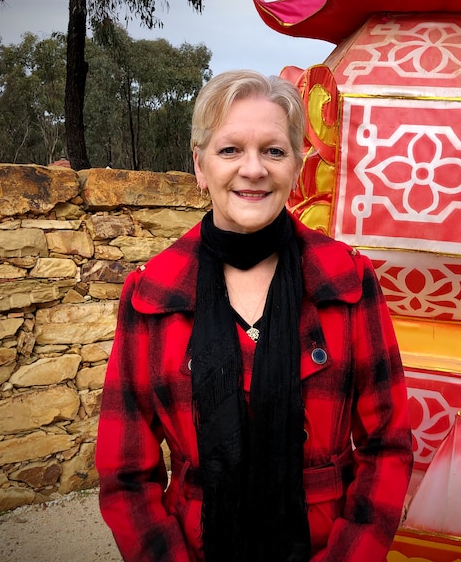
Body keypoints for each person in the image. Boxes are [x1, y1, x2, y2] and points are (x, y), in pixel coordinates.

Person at [96, 69, 413, 562]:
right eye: (229, 150)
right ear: (200, 166)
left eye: (273, 150)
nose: (253, 169)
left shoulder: (348, 283)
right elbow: (124, 477)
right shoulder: (152, 295)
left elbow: (387, 448)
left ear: (297, 166)